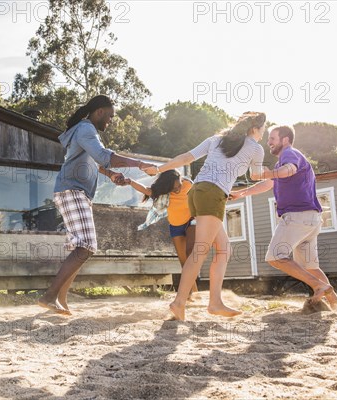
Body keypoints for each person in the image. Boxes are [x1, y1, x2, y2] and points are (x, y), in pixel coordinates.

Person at [143, 111, 267, 321]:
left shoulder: (217, 140)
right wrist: (276, 173)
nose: (264, 133)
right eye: (264, 128)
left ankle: (215, 302)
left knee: (223, 249)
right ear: (255, 128)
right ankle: (179, 302)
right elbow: (256, 176)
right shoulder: (256, 148)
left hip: (197, 192)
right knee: (199, 253)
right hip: (211, 194)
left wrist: (158, 169)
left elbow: (186, 157)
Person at [38, 95, 156, 315]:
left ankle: (60, 299)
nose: (110, 121)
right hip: (72, 191)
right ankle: (49, 296)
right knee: (86, 246)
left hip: (73, 192)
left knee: (80, 247)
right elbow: (104, 156)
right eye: (110, 116)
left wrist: (110, 174)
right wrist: (140, 164)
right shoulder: (86, 129)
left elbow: (94, 160)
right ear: (99, 111)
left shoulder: (84, 131)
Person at [229, 125, 337, 310]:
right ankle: (336, 305)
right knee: (311, 267)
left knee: (275, 257)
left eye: (272, 138)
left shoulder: (289, 154)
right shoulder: (282, 163)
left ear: (285, 140)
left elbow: (289, 170)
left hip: (297, 217)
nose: (269, 142)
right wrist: (240, 193)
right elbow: (269, 184)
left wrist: (267, 172)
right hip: (311, 219)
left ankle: (318, 286)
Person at [125, 169, 198, 296]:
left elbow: (200, 196)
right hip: (176, 226)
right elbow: (146, 190)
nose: (178, 190)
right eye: (174, 189)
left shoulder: (189, 184)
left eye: (179, 186)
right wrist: (130, 182)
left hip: (191, 221)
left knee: (190, 253)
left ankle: (193, 293)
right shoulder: (165, 192)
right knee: (184, 263)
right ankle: (194, 293)